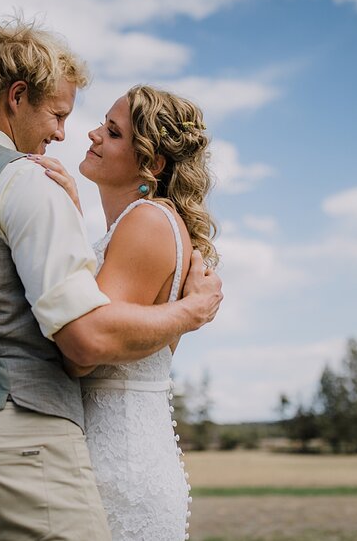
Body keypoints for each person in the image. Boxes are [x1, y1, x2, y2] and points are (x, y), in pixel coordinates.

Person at [0, 18, 223, 541]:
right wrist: (191, 312)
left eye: (110, 130)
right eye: (59, 114)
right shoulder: (25, 182)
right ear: (18, 97)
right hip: (23, 450)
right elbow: (84, 340)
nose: (65, 133)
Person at [33, 85, 218, 540]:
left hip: (118, 464)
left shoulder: (148, 221)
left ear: (151, 163)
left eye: (113, 133)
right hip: (117, 453)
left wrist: (193, 311)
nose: (93, 134)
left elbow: (86, 350)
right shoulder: (135, 225)